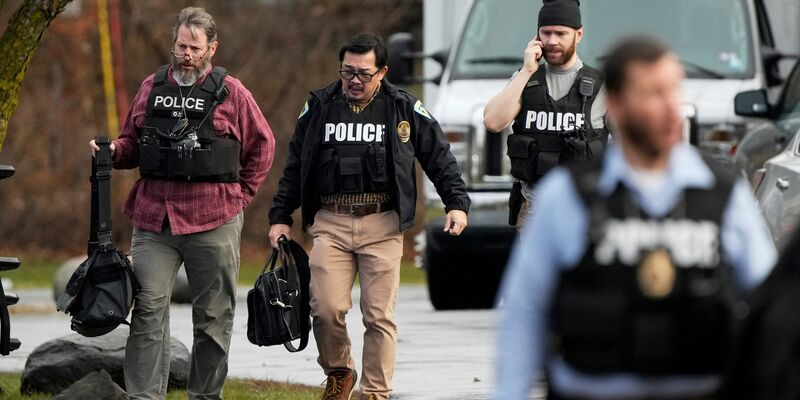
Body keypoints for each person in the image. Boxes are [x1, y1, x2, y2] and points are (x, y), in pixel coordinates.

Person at [493, 36, 777, 400]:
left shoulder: (722, 194)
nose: (671, 107)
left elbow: (771, 310)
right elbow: (525, 314)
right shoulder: (567, 197)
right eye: (652, 93)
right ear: (617, 104)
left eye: (673, 90)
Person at [268, 33, 470, 400]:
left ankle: (375, 392)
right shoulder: (319, 106)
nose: (354, 80)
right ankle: (339, 371)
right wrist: (281, 215)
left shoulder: (403, 106)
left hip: (383, 221)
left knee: (379, 315)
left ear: (383, 72)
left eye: (363, 73)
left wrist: (456, 202)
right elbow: (297, 165)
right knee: (325, 307)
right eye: (347, 72)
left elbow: (438, 156)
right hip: (330, 220)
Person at [89, 7, 275, 399]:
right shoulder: (152, 86)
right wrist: (107, 151)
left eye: (194, 47)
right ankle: (144, 396)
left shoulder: (232, 92)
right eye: (180, 46)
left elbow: (263, 146)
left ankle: (204, 395)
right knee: (147, 312)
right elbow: (131, 144)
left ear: (212, 48)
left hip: (214, 217)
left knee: (212, 318)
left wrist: (241, 196)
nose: (185, 54)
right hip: (155, 218)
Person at [483, 0, 609, 229]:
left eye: (561, 33)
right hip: (533, 212)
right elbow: (492, 122)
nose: (552, 41)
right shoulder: (524, 79)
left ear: (578, 35)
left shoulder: (602, 87)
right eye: (546, 32)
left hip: (583, 211)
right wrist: (526, 71)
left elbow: (632, 143)